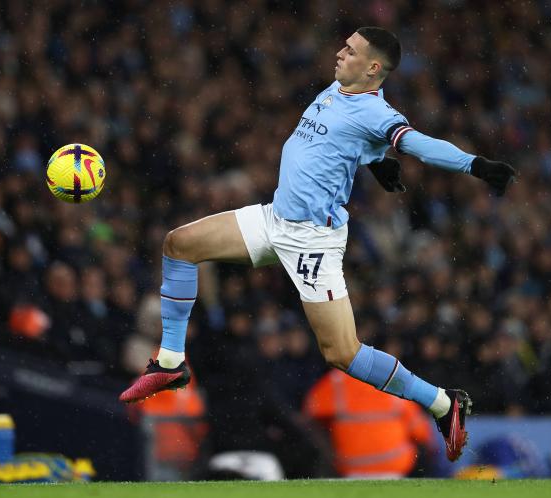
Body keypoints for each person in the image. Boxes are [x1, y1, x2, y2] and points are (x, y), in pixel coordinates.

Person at [119, 27, 516, 462]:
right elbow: (337, 142)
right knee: (179, 244)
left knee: (342, 352)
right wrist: (377, 160)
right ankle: (171, 363)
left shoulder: (375, 111)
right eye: (344, 45)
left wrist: (473, 164)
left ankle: (443, 403)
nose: (340, 52)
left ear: (373, 68)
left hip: (313, 240)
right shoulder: (338, 89)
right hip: (275, 219)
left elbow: (417, 144)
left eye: (350, 50)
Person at [304, 369, 437, 478]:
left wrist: (330, 451)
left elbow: (310, 415)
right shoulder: (396, 383)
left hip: (350, 469)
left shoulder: (336, 380)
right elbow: (422, 434)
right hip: (394, 469)